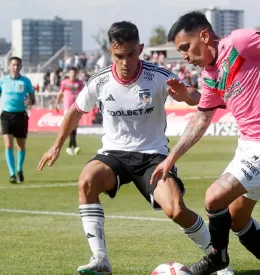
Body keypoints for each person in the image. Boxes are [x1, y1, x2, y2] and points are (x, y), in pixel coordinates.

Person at [37, 21, 234, 275]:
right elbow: (76, 110)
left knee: (175, 209)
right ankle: (100, 259)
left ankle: (219, 260)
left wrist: (184, 95)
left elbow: (195, 96)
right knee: (86, 181)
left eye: (132, 54)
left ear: (140, 49)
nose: (126, 61)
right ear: (111, 52)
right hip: (114, 154)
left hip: (152, 156)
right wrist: (56, 146)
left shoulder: (158, 76)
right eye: (120, 55)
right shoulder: (100, 81)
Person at [151, 11, 260, 275]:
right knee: (237, 218)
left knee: (213, 197)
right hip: (249, 145)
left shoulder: (239, 42)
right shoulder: (210, 76)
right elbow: (202, 118)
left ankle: (217, 257)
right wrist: (172, 157)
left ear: (204, 35)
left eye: (185, 48)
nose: (185, 57)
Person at [0, 57, 35, 184]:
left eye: (17, 65)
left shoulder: (25, 81)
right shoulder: (3, 80)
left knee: (20, 146)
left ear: (21, 67)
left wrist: (30, 101)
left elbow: (33, 98)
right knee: (8, 145)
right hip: (6, 115)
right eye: (13, 65)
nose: (15, 67)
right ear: (9, 66)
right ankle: (12, 174)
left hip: (21, 115)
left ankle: (19, 170)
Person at [54, 66, 85, 155]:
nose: (73, 75)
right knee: (71, 126)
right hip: (67, 108)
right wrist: (56, 103)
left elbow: (83, 94)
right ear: (69, 74)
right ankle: (74, 146)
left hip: (77, 107)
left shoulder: (79, 83)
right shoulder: (64, 83)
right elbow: (60, 93)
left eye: (74, 73)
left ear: (76, 74)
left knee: (74, 126)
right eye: (71, 73)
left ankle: (70, 147)